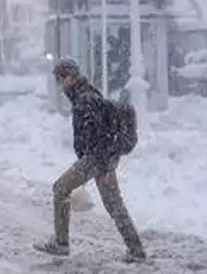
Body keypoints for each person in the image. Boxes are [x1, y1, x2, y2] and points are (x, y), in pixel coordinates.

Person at [34, 59, 145, 262]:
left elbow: (97, 133)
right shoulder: (88, 94)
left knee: (60, 188)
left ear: (69, 76)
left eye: (61, 79)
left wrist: (92, 161)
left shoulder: (85, 100)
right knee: (114, 205)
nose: (60, 84)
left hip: (97, 159)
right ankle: (136, 250)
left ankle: (61, 243)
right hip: (105, 159)